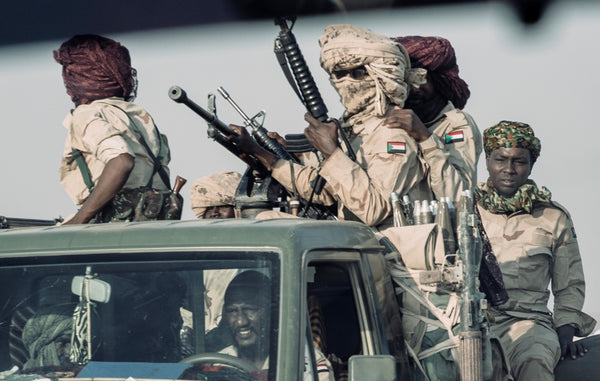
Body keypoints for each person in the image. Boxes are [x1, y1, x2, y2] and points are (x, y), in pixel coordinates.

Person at [229, 24, 430, 230]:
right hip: (357, 242)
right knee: (265, 220)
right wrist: (262, 154)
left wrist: (332, 153)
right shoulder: (354, 132)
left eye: (357, 73)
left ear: (381, 77)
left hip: (387, 251)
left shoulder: (392, 134)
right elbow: (323, 190)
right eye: (338, 75)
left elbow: (373, 210)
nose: (345, 82)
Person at [475, 120, 595, 381]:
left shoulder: (552, 216)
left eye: (519, 161)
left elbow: (569, 281)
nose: (509, 169)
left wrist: (565, 328)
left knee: (536, 363)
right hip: (472, 321)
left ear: (531, 165)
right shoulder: (466, 210)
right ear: (487, 160)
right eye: (501, 159)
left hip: (529, 321)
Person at [54, 33, 181, 224]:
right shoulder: (138, 115)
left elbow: (121, 161)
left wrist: (78, 221)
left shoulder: (87, 114)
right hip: (154, 227)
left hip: (113, 229)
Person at [216, 270, 337, 381]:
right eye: (233, 311)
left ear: (271, 312)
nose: (241, 321)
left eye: (250, 310)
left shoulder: (303, 360)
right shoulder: (217, 364)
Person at [383, 35, 482, 202]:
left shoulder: (456, 124)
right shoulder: (393, 122)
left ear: (438, 82)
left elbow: (458, 197)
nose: (415, 90)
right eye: (408, 81)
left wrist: (425, 138)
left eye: (422, 79)